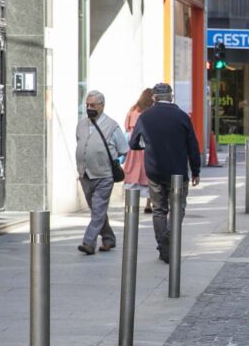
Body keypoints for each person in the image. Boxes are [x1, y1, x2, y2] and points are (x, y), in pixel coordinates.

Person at [129, 83, 201, 263]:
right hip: (178, 172)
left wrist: (148, 145)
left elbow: (133, 143)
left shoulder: (145, 117)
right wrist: (196, 170)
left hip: (154, 170)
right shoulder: (182, 116)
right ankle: (169, 237)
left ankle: (164, 247)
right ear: (171, 97)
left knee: (159, 210)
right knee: (178, 208)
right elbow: (193, 145)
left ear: (154, 98)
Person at [75, 90, 129, 255]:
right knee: (97, 211)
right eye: (87, 105)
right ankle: (109, 239)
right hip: (85, 174)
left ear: (102, 106)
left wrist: (111, 159)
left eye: (93, 105)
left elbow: (123, 149)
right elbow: (79, 142)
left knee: (98, 210)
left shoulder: (112, 126)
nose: (89, 108)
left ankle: (88, 242)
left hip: (104, 175)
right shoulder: (82, 124)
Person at [123, 88, 153, 213]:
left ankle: (130, 203)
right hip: (146, 146)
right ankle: (148, 204)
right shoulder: (149, 112)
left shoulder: (132, 110)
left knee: (132, 174)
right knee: (148, 175)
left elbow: (126, 126)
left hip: (133, 148)